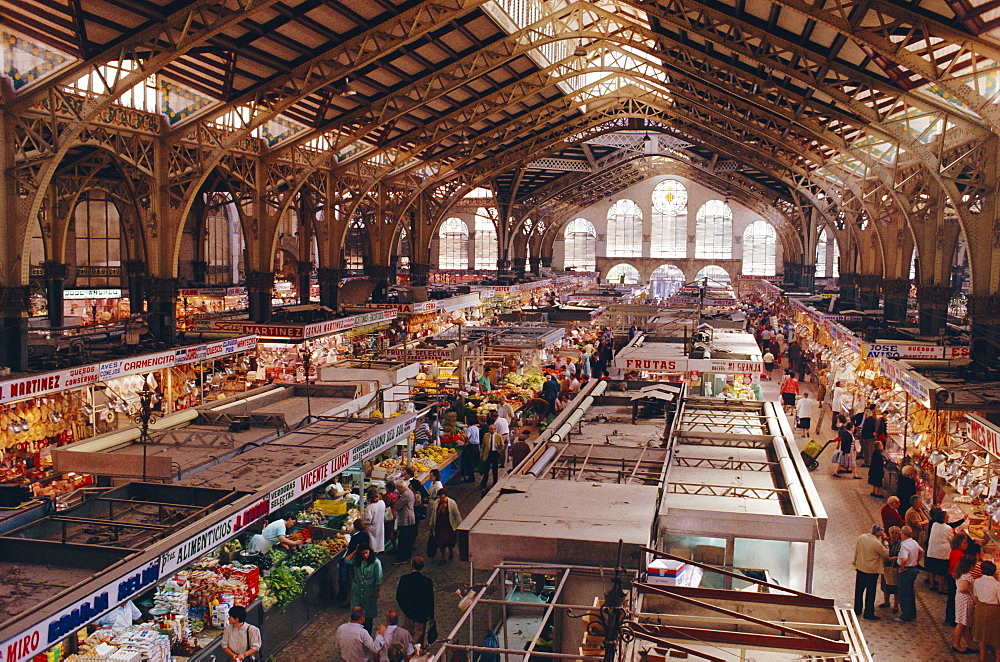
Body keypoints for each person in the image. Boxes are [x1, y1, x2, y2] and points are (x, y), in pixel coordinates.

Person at [853, 524, 889, 620]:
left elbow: (857, 550)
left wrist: (855, 562)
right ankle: (868, 613)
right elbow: (886, 554)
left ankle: (857, 609)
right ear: (879, 534)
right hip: (871, 571)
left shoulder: (862, 537)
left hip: (860, 568)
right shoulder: (876, 543)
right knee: (870, 592)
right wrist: (885, 541)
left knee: (859, 591)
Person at [926, 507, 966, 593]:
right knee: (942, 572)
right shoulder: (947, 528)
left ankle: (932, 584)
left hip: (932, 551)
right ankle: (941, 588)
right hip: (942, 553)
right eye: (947, 517)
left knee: (932, 569)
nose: (948, 518)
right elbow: (952, 539)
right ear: (943, 518)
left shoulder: (934, 524)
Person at [396, 557, 434, 645]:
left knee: (406, 637)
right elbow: (430, 600)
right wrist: (431, 616)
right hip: (421, 615)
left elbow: (399, 596)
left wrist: (405, 609)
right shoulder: (427, 581)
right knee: (418, 640)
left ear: (411, 565)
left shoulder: (404, 578)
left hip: (408, 614)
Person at [352, 547, 384, 633]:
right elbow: (346, 560)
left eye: (366, 553)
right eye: (362, 554)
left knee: (368, 616)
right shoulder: (358, 561)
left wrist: (377, 591)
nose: (365, 555)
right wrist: (355, 551)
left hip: (369, 592)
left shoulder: (376, 563)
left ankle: (367, 635)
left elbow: (379, 578)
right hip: (358, 592)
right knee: (357, 614)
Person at [896, 525, 924, 623]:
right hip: (913, 569)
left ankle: (906, 615)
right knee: (910, 592)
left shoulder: (904, 545)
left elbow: (904, 558)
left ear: (903, 534)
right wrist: (916, 561)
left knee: (904, 593)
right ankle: (912, 612)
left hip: (906, 571)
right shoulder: (914, 542)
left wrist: (901, 568)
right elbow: (922, 551)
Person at [974, 561, 1000, 662]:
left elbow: (975, 597)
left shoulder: (977, 581)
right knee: (996, 636)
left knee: (981, 635)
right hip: (993, 610)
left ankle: (983, 658)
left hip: (980, 608)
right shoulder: (997, 584)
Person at [429, 487, 462, 563]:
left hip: (449, 526)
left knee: (450, 542)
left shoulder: (452, 503)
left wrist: (460, 525)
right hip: (439, 526)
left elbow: (457, 515)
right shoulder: (436, 503)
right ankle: (443, 557)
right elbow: (433, 514)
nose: (441, 499)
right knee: (441, 543)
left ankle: (451, 552)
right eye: (440, 498)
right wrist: (431, 523)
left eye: (442, 497)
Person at [953, 554, 977, 654]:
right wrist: (971, 593)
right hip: (965, 600)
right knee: (961, 623)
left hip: (960, 599)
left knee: (965, 623)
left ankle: (969, 645)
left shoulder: (960, 573)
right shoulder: (967, 576)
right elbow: (963, 588)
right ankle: (956, 644)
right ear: (970, 566)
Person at [879, 526, 902, 613]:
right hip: (885, 567)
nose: (894, 535)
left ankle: (896, 605)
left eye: (896, 533)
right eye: (892, 533)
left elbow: (900, 556)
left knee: (895, 586)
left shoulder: (900, 544)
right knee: (885, 584)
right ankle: (886, 601)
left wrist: (891, 558)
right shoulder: (885, 542)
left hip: (895, 567)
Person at [394, 481, 417, 563]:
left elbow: (397, 506)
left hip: (406, 519)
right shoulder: (409, 492)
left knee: (403, 539)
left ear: (401, 487)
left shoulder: (405, 494)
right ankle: (406, 556)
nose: (397, 490)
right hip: (409, 518)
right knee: (407, 538)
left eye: (398, 488)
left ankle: (403, 557)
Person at [480, 423, 505, 493]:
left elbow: (502, 445)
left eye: (492, 429)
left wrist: (499, 451)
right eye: (490, 429)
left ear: (495, 429)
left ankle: (495, 482)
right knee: (486, 469)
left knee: (495, 469)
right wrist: (482, 454)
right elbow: (483, 445)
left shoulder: (498, 436)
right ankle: (484, 483)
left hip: (495, 453)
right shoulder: (486, 435)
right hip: (487, 453)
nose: (491, 430)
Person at [364, 487, 387, 554]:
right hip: (380, 525)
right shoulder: (382, 503)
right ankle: (379, 551)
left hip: (372, 528)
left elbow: (368, 520)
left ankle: (372, 554)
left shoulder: (369, 508)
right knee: (379, 541)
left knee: (372, 543)